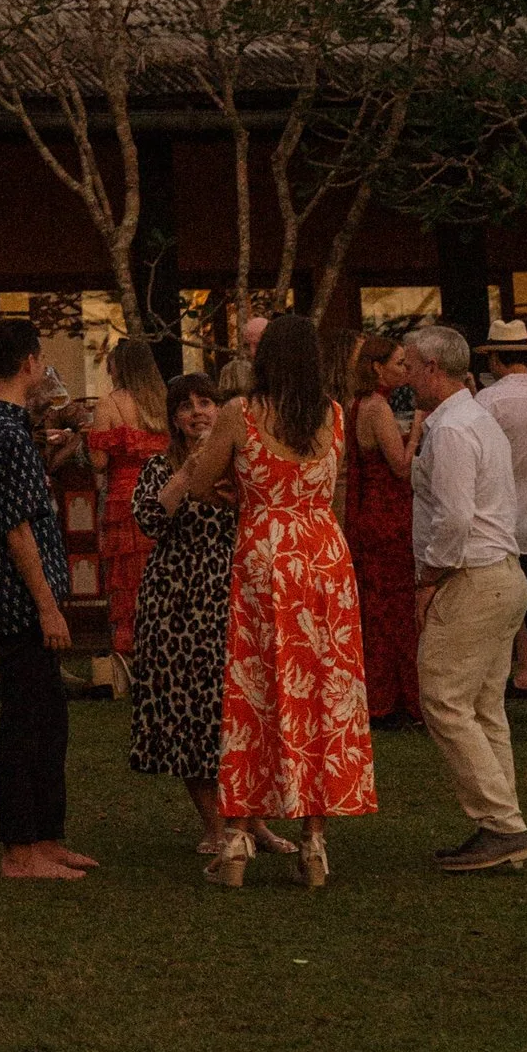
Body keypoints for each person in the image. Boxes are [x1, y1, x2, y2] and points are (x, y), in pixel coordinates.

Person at [182, 310, 375, 888]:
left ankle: (238, 837)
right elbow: (331, 487)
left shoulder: (243, 413)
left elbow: (198, 483)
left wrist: (238, 497)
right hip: (324, 555)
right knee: (322, 690)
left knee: (256, 689)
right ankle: (314, 843)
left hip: (266, 552)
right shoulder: (334, 416)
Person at [0, 316, 90, 882]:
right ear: (30, 362)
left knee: (48, 715)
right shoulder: (5, 431)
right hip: (18, 596)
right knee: (26, 721)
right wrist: (47, 605)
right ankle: (19, 848)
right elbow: (18, 528)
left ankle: (46, 835)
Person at [401, 321, 527, 873]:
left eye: (410, 367)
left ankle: (501, 825)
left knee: (444, 699)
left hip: (473, 578)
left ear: (433, 368)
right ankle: (500, 827)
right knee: (484, 708)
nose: (405, 376)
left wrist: (428, 578)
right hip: (502, 574)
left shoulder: (453, 428)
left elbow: (454, 519)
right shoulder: (476, 418)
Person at [126, 372, 256, 856]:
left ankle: (252, 822)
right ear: (174, 418)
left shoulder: (242, 463)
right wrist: (189, 472)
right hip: (176, 604)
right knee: (190, 716)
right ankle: (214, 827)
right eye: (187, 406)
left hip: (233, 596)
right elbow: (149, 519)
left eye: (207, 403)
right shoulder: (161, 467)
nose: (199, 412)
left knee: (241, 714)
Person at [343, 330, 424, 725]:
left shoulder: (358, 405)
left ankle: (382, 695)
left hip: (368, 514)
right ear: (377, 367)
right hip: (387, 517)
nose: (405, 371)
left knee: (377, 608)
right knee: (395, 609)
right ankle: (397, 697)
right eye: (399, 364)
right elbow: (401, 466)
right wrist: (419, 430)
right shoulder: (377, 407)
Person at [80, 332, 170, 677]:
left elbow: (100, 461)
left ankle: (130, 659)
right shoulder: (163, 401)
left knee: (125, 578)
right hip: (161, 495)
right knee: (159, 572)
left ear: (118, 367)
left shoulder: (110, 404)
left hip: (124, 496)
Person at [487, 308, 527, 743]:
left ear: (495, 359)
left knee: (494, 630)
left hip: (502, 533)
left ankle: (490, 713)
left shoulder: (485, 405)